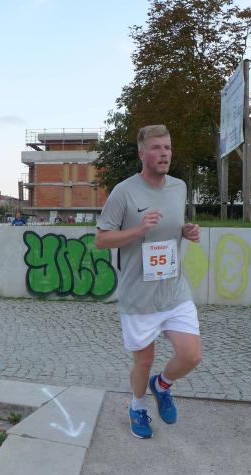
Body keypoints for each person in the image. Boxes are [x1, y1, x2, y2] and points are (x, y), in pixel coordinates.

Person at [95, 124, 202, 439]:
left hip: (174, 290)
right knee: (144, 360)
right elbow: (102, 239)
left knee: (191, 355)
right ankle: (138, 407)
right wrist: (139, 230)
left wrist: (186, 231)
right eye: (156, 148)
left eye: (167, 147)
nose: (164, 153)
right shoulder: (124, 192)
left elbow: (172, 226)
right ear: (142, 153)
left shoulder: (179, 187)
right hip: (139, 296)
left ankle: (163, 385)